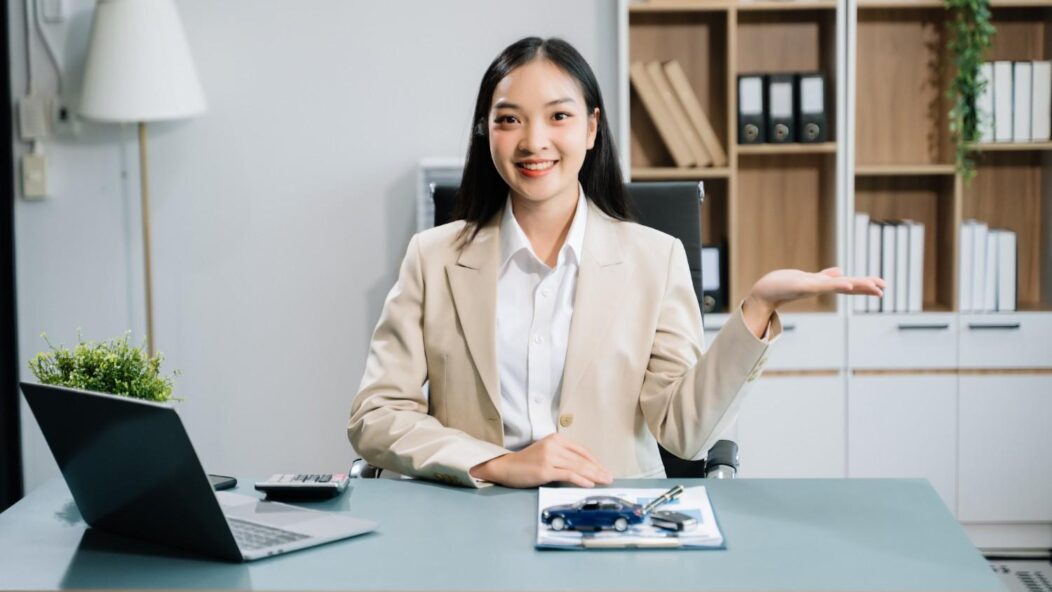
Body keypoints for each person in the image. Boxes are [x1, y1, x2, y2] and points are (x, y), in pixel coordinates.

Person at [348, 37, 883, 489]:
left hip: (614, 522)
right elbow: (377, 415)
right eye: (509, 119)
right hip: (472, 519)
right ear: (486, 130)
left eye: (559, 116)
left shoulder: (656, 258)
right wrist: (498, 463)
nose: (535, 141)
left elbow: (684, 433)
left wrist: (758, 308)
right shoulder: (433, 257)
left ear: (591, 128)